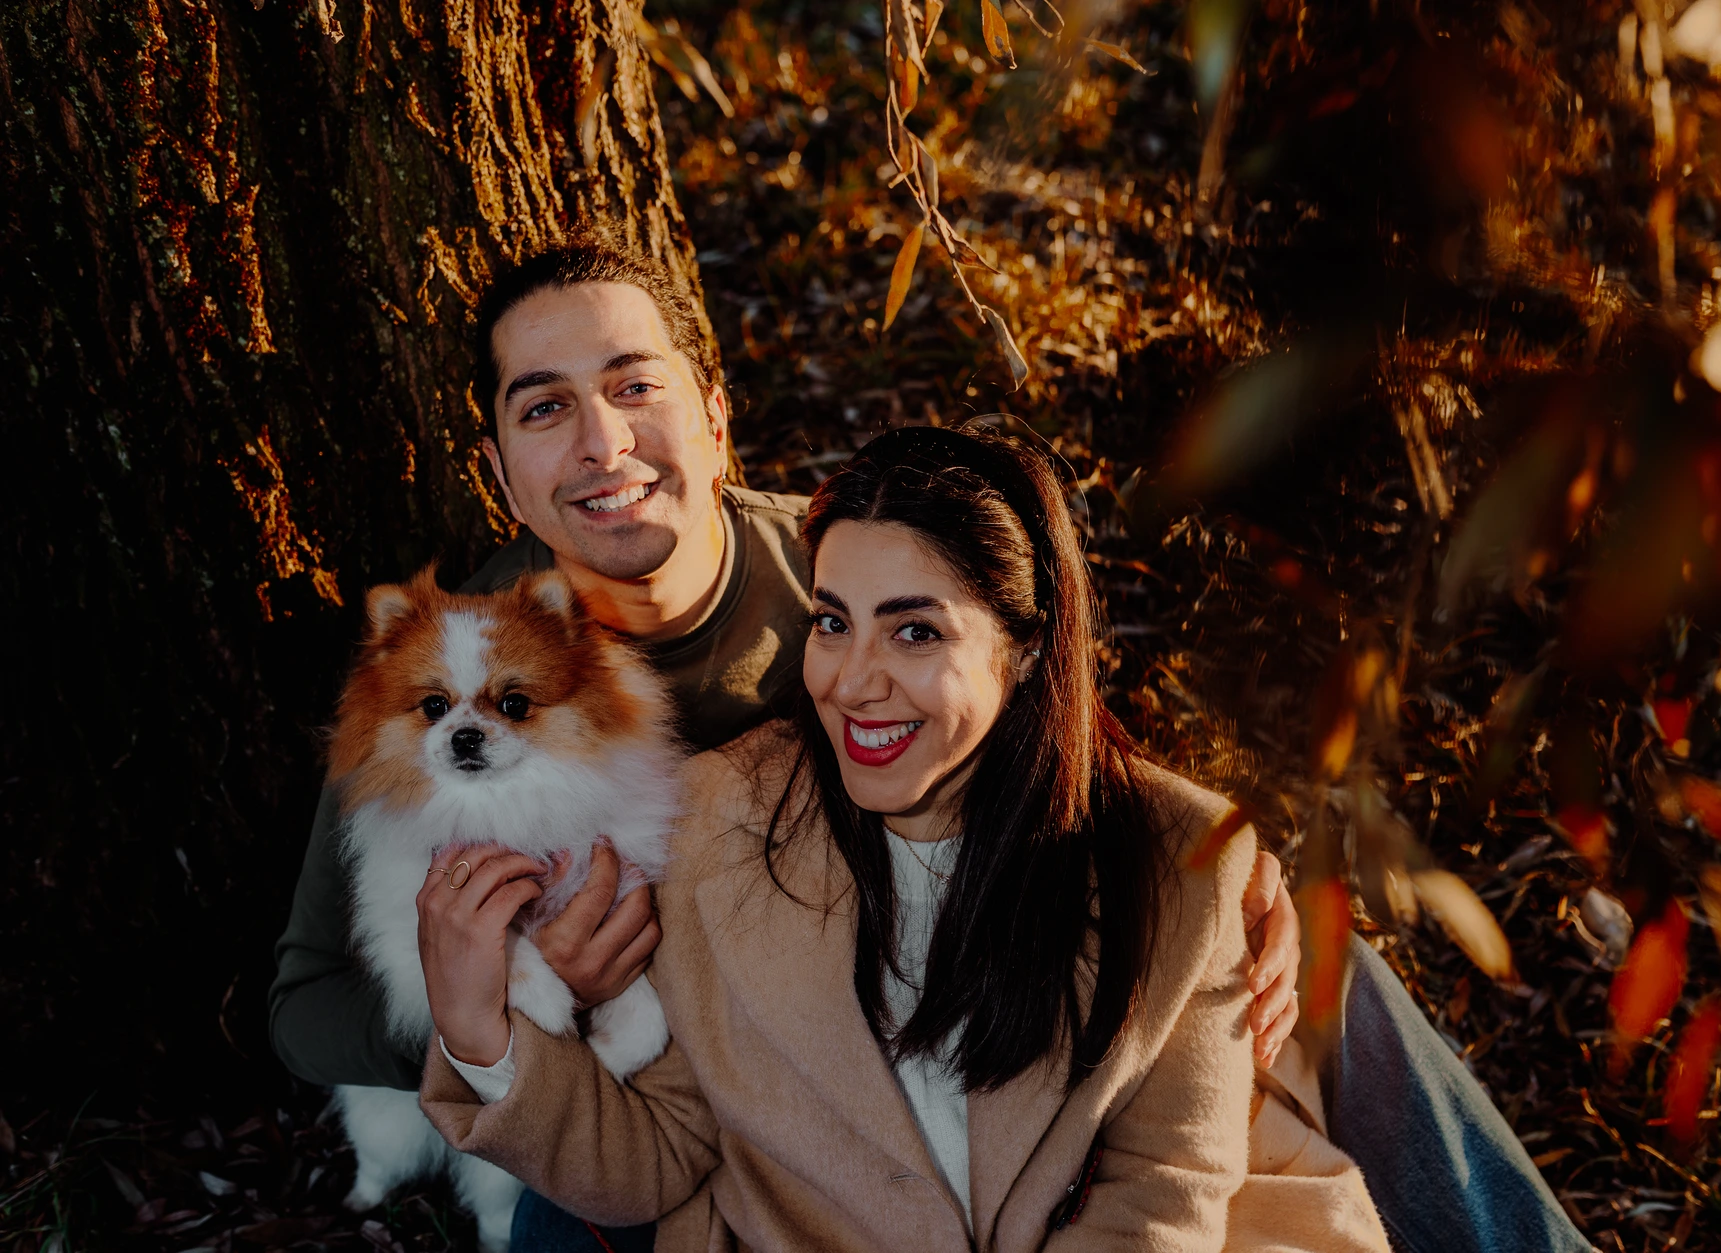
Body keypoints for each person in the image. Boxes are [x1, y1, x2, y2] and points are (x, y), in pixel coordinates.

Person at [269, 228, 1592, 1253]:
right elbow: (304, 1002)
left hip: (927, 969)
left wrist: (1222, 862)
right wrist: (519, 993)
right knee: (565, 1177)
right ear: (501, 462)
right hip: (671, 1046)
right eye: (544, 406)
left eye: (632, 385)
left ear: (714, 413)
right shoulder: (452, 676)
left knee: (1304, 961)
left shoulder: (833, 564)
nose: (602, 442)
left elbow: (1018, 692)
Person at [413, 425, 1389, 1251]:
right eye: (832, 622)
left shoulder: (1179, 855)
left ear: (1025, 645)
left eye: (915, 631)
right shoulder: (711, 820)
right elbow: (659, 1154)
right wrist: (478, 1031)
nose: (852, 680)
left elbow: (1163, 1184)